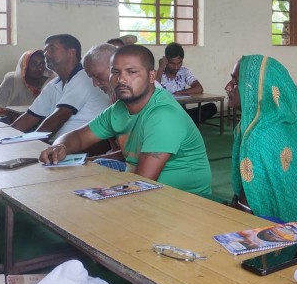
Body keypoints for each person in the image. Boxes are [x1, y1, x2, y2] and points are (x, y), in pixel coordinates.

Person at [40, 45, 212, 196]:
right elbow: (78, 137)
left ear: (152, 76)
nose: (121, 79)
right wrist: (60, 146)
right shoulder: (119, 109)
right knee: (89, 171)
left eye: (132, 72)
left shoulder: (163, 115)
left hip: (183, 199)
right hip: (147, 186)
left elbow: (141, 183)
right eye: (115, 72)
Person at [225, 55, 297, 228]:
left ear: (254, 89)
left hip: (285, 232)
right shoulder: (290, 122)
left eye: (235, 81)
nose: (227, 87)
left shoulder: (258, 135)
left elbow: (246, 209)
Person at [11, 34, 109, 139]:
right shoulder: (53, 84)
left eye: (52, 49)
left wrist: (32, 142)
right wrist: (7, 136)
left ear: (72, 52)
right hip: (60, 144)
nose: (46, 54)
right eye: (45, 50)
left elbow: (59, 117)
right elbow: (30, 116)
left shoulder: (84, 77)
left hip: (86, 145)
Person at [156, 42, 216, 126]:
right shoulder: (158, 74)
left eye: (179, 63)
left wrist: (180, 93)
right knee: (190, 118)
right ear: (165, 60)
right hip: (165, 111)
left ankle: (183, 122)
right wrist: (161, 68)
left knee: (211, 107)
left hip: (182, 111)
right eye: (172, 63)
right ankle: (185, 122)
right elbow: (154, 91)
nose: (176, 67)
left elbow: (199, 88)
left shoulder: (184, 71)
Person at [0, 50, 53, 119]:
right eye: (34, 64)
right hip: (11, 120)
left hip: (39, 121)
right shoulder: (12, 80)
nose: (39, 68)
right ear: (25, 65)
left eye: (42, 64)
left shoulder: (49, 83)